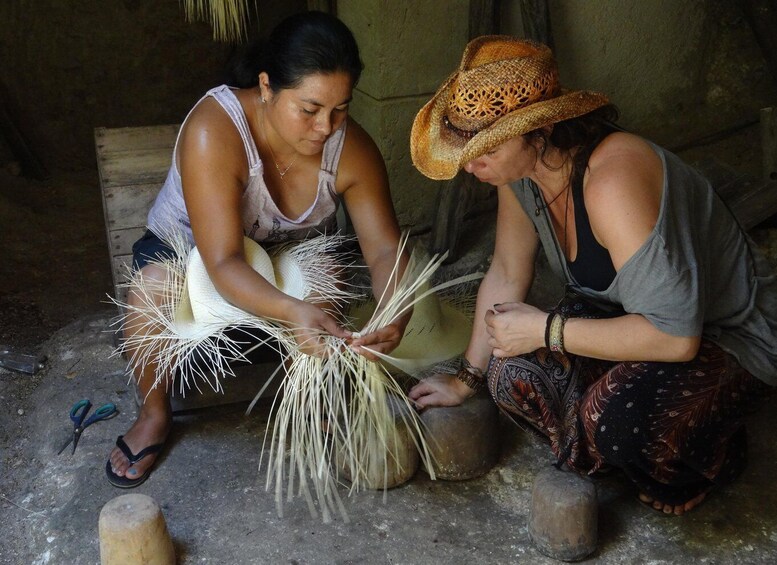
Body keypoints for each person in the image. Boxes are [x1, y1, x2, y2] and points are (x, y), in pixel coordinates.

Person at [408, 36, 777, 515]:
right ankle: (641, 444)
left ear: (538, 130)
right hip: (626, 322)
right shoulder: (519, 177)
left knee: (616, 419)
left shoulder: (612, 181)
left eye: (484, 149)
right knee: (509, 374)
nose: (468, 163)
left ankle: (710, 454)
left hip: (727, 335)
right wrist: (467, 379)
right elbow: (505, 271)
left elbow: (675, 338)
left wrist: (545, 330)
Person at [107, 11, 409, 488]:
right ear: (266, 87)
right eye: (309, 110)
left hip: (284, 257)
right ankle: (154, 413)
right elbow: (223, 260)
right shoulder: (216, 129)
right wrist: (291, 310)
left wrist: (394, 310)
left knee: (327, 272)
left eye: (340, 109)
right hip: (196, 259)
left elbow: (386, 250)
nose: (326, 127)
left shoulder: (351, 150)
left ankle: (311, 392)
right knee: (150, 291)